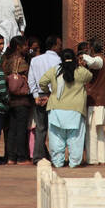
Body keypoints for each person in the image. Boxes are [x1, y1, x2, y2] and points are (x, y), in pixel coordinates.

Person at [38, 48, 92, 168]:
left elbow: (42, 82)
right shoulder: (81, 71)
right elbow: (90, 77)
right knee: (75, 138)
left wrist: (48, 93)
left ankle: (57, 162)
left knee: (56, 138)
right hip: (75, 109)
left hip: (56, 108)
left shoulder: (54, 70)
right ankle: (74, 163)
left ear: (61, 58)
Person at [28, 34, 61, 163]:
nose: (61, 47)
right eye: (59, 45)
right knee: (54, 129)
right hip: (53, 96)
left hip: (40, 96)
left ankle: (37, 157)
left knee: (40, 128)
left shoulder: (35, 60)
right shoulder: (58, 61)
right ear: (54, 45)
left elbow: (31, 80)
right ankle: (55, 158)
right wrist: (51, 96)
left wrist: (36, 96)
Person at [2, 36, 33, 164]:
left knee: (11, 129)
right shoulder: (20, 61)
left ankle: (10, 157)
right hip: (21, 99)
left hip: (9, 99)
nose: (27, 48)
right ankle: (21, 157)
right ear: (18, 47)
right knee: (21, 129)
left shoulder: (5, 60)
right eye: (25, 45)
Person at [83, 38, 105, 165]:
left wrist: (82, 55)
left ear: (92, 48)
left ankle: (93, 159)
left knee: (92, 130)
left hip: (95, 101)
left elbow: (93, 62)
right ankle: (100, 158)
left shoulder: (99, 60)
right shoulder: (103, 60)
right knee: (98, 131)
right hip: (99, 100)